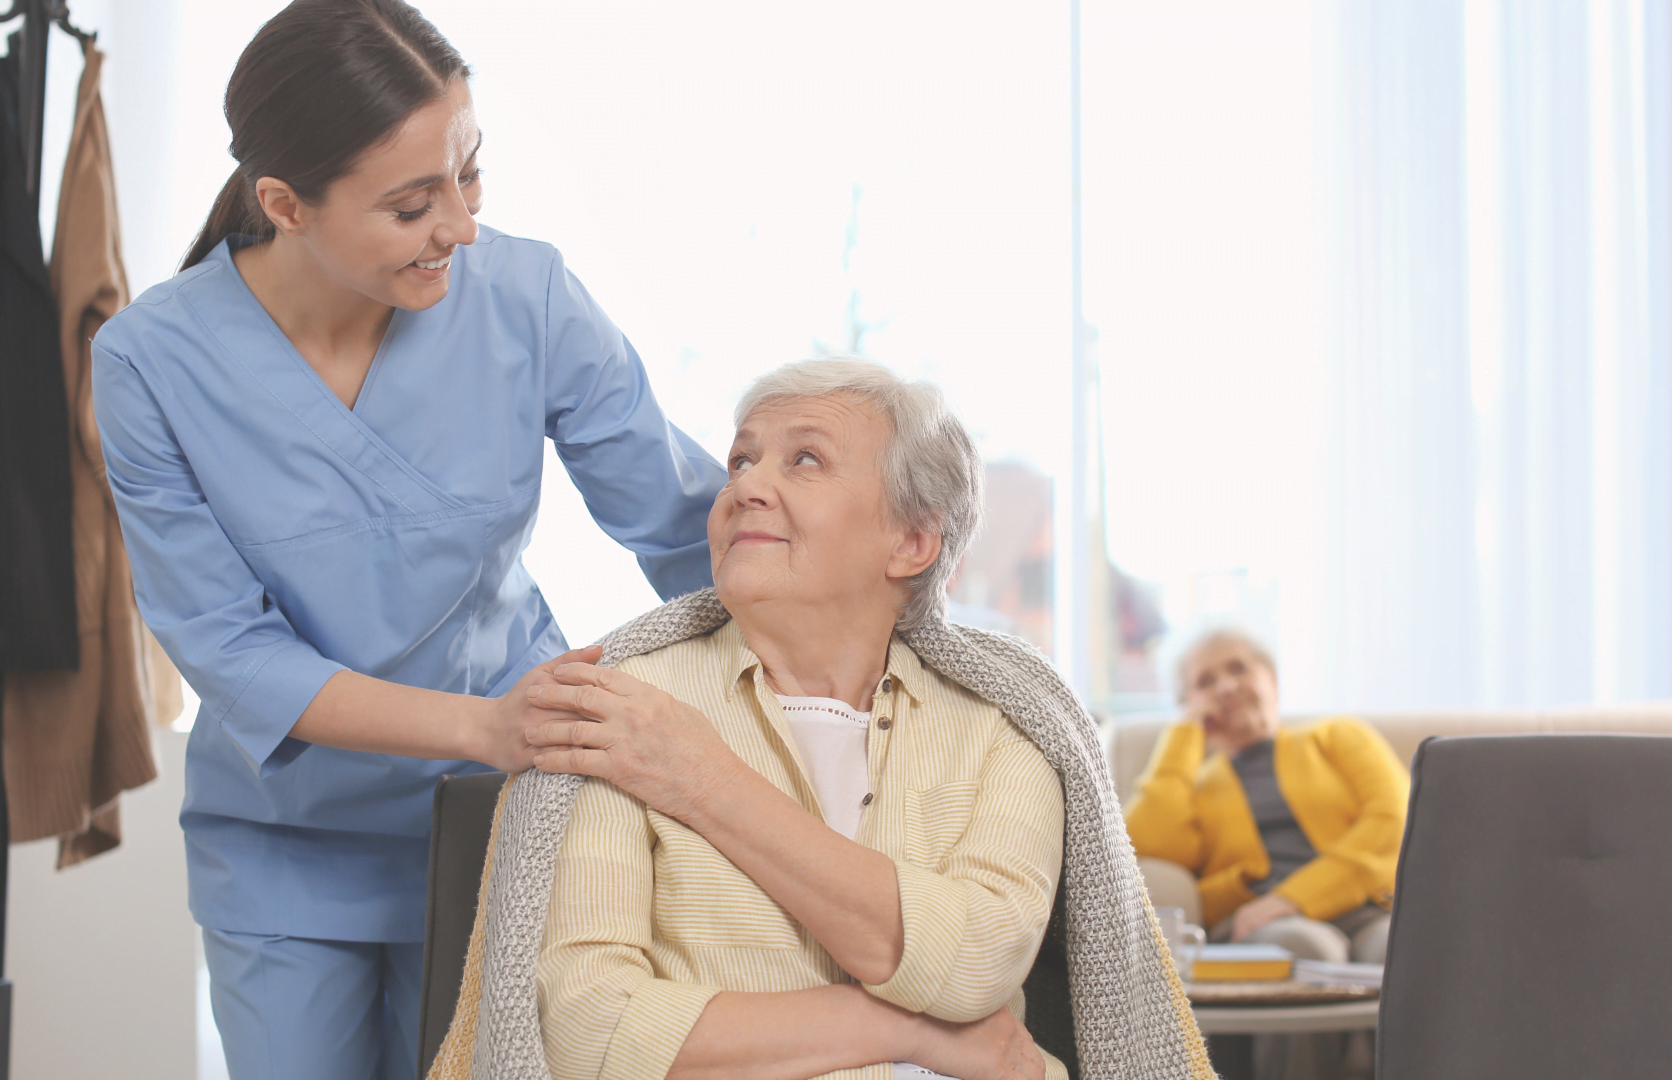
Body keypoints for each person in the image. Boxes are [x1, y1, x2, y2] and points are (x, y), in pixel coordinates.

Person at [91, 2, 724, 1076]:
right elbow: (229, 648)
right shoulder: (151, 361)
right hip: (290, 845)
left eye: (470, 174)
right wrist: (487, 727)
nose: (462, 226)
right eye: (412, 203)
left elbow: (680, 522)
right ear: (285, 203)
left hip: (506, 824)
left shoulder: (526, 297)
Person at [522, 360, 1067, 1080]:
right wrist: (914, 1034)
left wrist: (700, 779)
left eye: (804, 459)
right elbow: (588, 1027)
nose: (745, 485)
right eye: (740, 460)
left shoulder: (1005, 723)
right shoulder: (626, 708)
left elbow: (975, 966)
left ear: (911, 541)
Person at [1124, 630, 1408, 965]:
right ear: (1187, 704)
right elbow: (1144, 844)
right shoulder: (1194, 787)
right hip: (1260, 921)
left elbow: (1393, 822)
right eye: (1204, 682)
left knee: (1400, 948)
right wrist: (1185, 733)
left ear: (1271, 678)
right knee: (1309, 949)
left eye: (1239, 668)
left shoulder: (1338, 736)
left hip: (1364, 908)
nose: (1227, 687)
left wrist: (1293, 898)